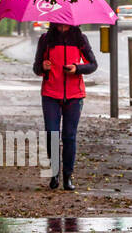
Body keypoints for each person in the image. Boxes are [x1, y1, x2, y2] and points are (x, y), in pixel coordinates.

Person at [33, 23, 98, 190]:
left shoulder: (80, 39)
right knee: (52, 134)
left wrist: (77, 69)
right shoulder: (46, 39)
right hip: (50, 94)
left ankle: (68, 177)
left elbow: (93, 65)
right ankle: (54, 174)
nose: (63, 25)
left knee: (69, 136)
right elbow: (36, 68)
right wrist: (43, 67)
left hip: (74, 95)